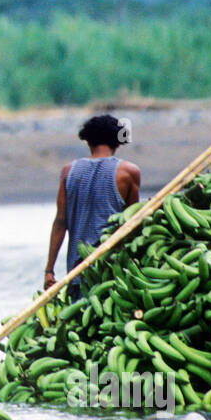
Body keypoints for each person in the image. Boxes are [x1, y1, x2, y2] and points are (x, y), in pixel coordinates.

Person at [44, 114, 140, 297]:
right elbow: (132, 224)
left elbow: (60, 222)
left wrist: (49, 270)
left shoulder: (68, 172)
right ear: (118, 143)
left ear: (88, 142)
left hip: (76, 271)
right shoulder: (128, 172)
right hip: (112, 271)